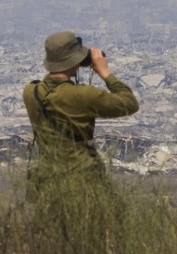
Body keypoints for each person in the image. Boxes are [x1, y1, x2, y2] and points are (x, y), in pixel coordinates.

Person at [23, 31, 139, 202]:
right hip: (83, 186)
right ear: (75, 60)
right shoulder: (82, 95)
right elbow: (129, 103)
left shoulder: (31, 92)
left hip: (48, 187)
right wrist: (105, 72)